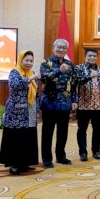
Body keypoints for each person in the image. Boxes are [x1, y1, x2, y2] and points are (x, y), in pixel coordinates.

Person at [0, 50, 40, 175]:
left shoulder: (31, 73)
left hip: (30, 110)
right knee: (16, 138)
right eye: (26, 60)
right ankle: (15, 164)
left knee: (28, 136)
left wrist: (37, 109)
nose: (29, 63)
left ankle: (26, 163)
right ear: (20, 60)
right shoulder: (14, 72)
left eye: (31, 61)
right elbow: (16, 85)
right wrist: (30, 78)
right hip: (16, 112)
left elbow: (35, 93)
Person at [40, 39, 77, 168]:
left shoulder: (70, 64)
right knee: (47, 132)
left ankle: (61, 156)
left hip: (65, 103)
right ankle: (47, 158)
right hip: (49, 103)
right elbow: (44, 77)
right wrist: (59, 71)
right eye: (59, 47)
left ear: (66, 50)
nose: (61, 50)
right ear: (53, 48)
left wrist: (74, 100)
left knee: (63, 132)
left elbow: (73, 84)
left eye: (64, 48)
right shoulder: (46, 62)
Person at [74, 48, 100, 161]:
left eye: (94, 56)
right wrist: (89, 76)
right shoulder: (79, 68)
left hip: (98, 105)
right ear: (85, 56)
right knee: (82, 129)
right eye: (90, 56)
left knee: (97, 129)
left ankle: (96, 151)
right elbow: (76, 82)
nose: (92, 58)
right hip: (83, 105)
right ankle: (83, 152)